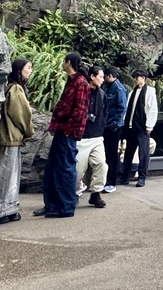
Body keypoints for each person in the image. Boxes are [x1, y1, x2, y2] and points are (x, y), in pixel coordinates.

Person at [35, 52, 89, 218]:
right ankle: (52, 205)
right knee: (53, 168)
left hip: (67, 132)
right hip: (61, 130)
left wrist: (67, 130)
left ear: (68, 62)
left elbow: (80, 111)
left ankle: (65, 207)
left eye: (63, 61)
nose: (62, 63)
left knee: (65, 169)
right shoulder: (72, 81)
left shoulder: (80, 83)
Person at [0, 58, 34, 224]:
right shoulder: (16, 89)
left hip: (9, 136)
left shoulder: (11, 87)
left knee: (9, 175)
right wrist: (28, 131)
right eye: (28, 68)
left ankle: (8, 209)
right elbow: (22, 115)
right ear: (19, 70)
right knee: (4, 175)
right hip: (9, 136)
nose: (30, 71)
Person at [74, 67, 108, 208]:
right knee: (78, 169)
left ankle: (96, 193)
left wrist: (102, 124)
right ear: (92, 76)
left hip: (97, 136)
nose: (102, 79)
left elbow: (105, 112)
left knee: (101, 164)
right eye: (100, 76)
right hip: (82, 137)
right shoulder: (82, 91)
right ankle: (75, 194)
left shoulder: (102, 93)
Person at [119, 68, 157, 187]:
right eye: (135, 77)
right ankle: (125, 176)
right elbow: (128, 109)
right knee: (128, 152)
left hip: (142, 126)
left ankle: (142, 177)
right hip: (131, 126)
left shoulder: (150, 92)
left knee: (143, 153)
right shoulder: (133, 92)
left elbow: (152, 109)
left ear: (143, 78)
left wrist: (149, 125)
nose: (135, 80)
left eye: (137, 77)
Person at [101, 66, 127, 193]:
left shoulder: (118, 88)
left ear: (110, 76)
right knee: (107, 153)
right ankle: (107, 179)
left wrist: (115, 124)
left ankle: (112, 181)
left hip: (113, 126)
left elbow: (122, 108)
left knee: (112, 153)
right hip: (107, 124)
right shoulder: (108, 87)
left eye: (104, 76)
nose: (103, 79)